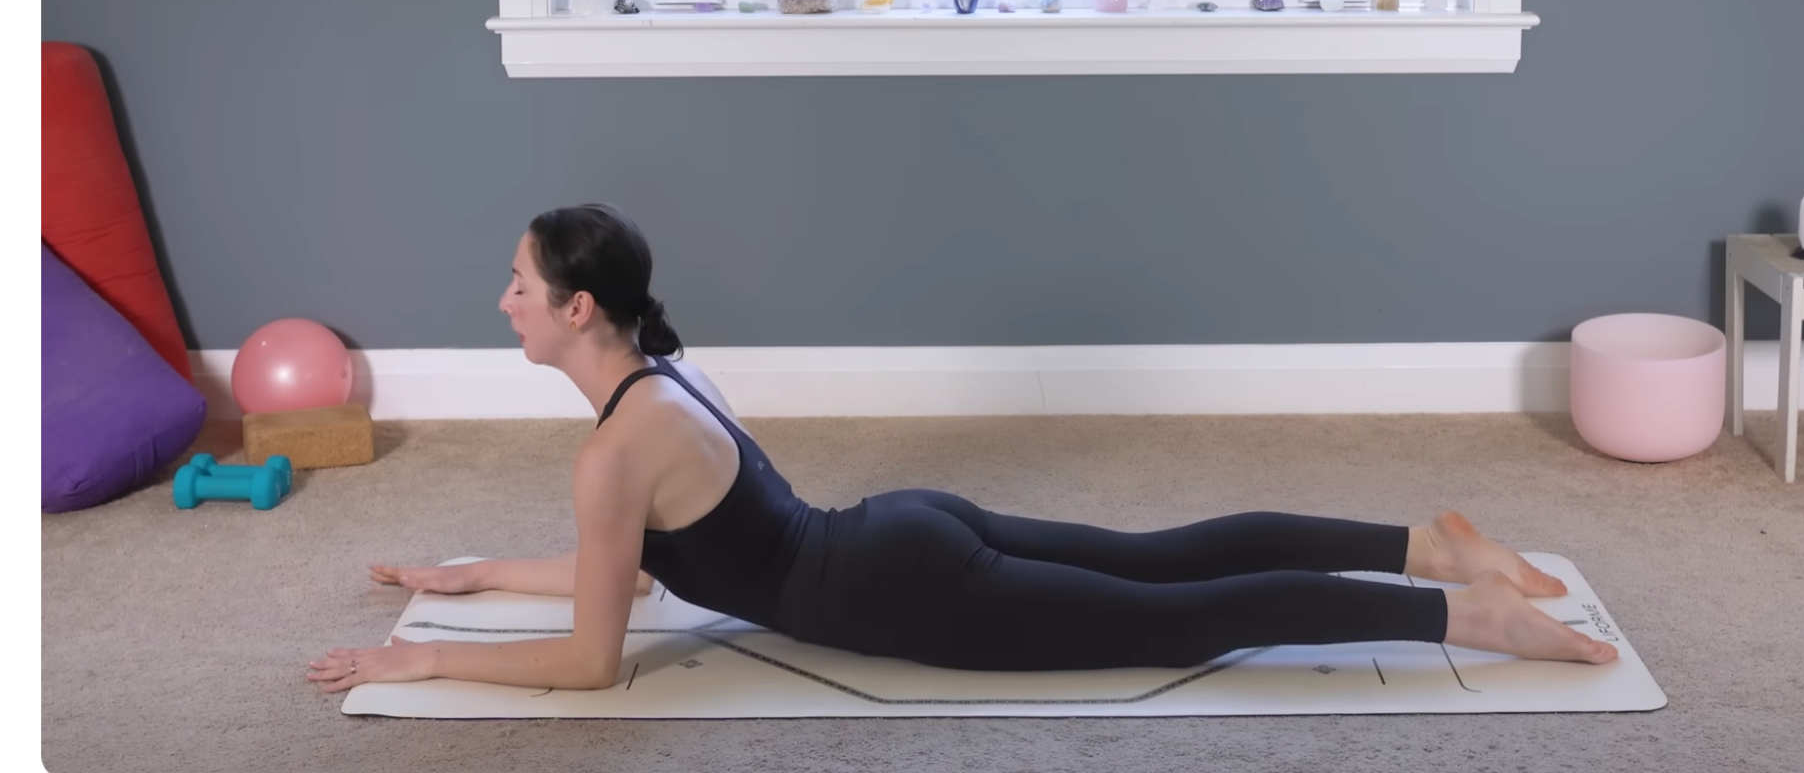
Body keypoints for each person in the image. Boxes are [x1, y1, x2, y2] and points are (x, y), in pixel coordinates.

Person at [307, 204, 1617, 694]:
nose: (504, 301)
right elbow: (635, 571)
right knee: (1163, 557)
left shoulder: (611, 456)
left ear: (576, 308)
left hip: (906, 591)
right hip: (905, 528)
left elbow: (595, 661)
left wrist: (427, 658)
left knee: (1186, 619)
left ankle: (1466, 615)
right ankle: (1427, 542)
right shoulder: (667, 375)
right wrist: (476, 578)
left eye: (519, 285)